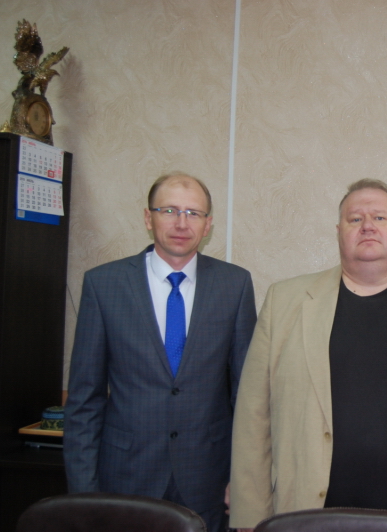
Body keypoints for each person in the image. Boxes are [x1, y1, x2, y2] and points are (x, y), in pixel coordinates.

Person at [229, 179, 387, 532]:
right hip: (306, 513)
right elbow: (253, 415)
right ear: (339, 232)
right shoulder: (284, 301)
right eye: (355, 219)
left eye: (379, 217)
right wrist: (250, 514)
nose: (367, 226)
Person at [63, 172, 258, 532]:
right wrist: (84, 495)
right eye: (169, 210)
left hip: (208, 479)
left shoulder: (235, 285)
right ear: (147, 218)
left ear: (208, 224)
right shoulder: (103, 285)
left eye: (193, 213)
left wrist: (245, 480)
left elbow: (248, 397)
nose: (181, 223)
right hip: (125, 477)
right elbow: (84, 402)